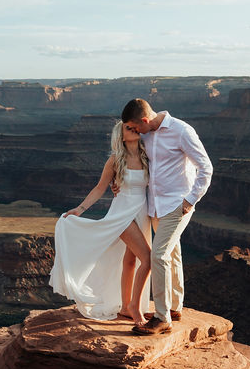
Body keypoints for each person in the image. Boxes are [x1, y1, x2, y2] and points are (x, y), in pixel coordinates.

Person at [122, 98, 212, 336]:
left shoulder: (181, 131)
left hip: (176, 204)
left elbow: (206, 167)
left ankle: (162, 318)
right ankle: (174, 308)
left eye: (135, 128)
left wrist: (190, 200)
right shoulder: (147, 133)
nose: (135, 133)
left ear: (144, 119)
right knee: (172, 254)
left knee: (158, 255)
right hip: (155, 205)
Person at [48, 121, 152, 326]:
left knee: (131, 261)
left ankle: (125, 306)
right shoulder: (115, 160)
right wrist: (80, 210)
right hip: (123, 214)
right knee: (148, 259)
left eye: (135, 126)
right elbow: (99, 188)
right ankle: (135, 308)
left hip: (143, 212)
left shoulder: (147, 156)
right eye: (128, 128)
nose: (133, 129)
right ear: (120, 136)